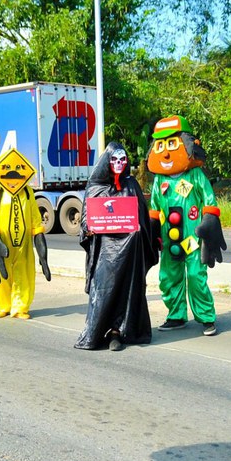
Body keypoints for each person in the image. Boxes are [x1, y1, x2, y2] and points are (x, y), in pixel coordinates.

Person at [74, 142, 160, 351]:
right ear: (107, 162)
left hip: (131, 251)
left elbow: (142, 213)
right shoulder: (96, 185)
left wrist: (146, 232)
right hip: (105, 251)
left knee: (128, 291)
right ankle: (98, 332)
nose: (119, 164)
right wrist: (88, 230)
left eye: (123, 160)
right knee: (104, 290)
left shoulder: (131, 184)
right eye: (114, 160)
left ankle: (118, 332)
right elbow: (86, 219)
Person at [146, 115, 227, 336]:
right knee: (169, 278)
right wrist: (152, 229)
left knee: (195, 276)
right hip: (169, 241)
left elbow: (210, 202)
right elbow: (154, 205)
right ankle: (176, 315)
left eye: (171, 144)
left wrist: (210, 223)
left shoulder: (196, 175)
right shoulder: (158, 180)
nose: (165, 152)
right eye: (161, 145)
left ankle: (206, 317)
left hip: (193, 239)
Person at [0, 148, 51, 319]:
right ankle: (3, 305)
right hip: (1, 243)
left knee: (23, 275)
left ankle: (20, 307)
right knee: (2, 275)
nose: (13, 183)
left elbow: (35, 220)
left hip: (23, 245)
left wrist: (40, 246)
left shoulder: (27, 192)